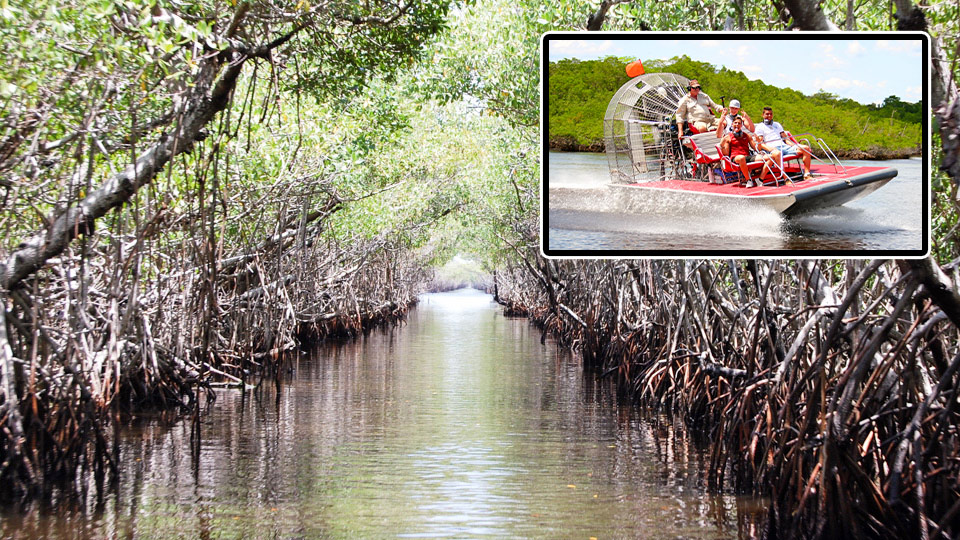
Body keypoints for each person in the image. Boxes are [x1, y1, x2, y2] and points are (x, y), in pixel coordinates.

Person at [753, 106, 813, 180]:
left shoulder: (777, 124)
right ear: (763, 115)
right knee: (778, 153)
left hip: (784, 146)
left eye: (771, 114)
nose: (769, 116)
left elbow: (786, 139)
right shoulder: (760, 127)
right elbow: (761, 143)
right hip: (772, 148)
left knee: (805, 148)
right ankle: (786, 178)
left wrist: (796, 145)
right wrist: (772, 149)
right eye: (767, 114)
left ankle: (807, 174)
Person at [720, 116, 774, 187]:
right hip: (735, 158)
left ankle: (760, 179)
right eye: (735, 123)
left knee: (771, 157)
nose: (737, 125)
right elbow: (726, 153)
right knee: (741, 158)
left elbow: (756, 148)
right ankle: (748, 180)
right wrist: (722, 145)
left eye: (739, 123)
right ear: (732, 125)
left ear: (741, 126)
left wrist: (759, 142)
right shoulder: (728, 137)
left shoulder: (747, 135)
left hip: (747, 157)